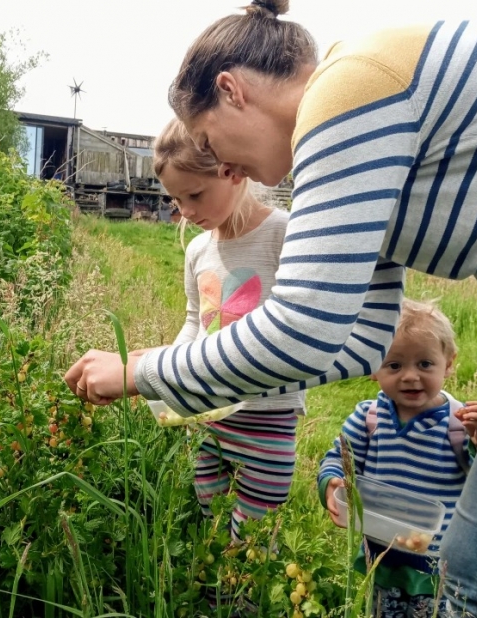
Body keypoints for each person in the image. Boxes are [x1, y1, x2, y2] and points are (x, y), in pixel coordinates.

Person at [64, 1, 477, 616]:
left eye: (209, 141)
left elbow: (299, 328)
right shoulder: (357, 140)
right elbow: (360, 340)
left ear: (232, 90)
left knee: (475, 582)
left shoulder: (346, 93)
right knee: (473, 576)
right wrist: (167, 364)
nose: (224, 166)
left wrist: (140, 374)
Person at [148, 116, 307, 612]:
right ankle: (213, 596)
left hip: (268, 417)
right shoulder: (198, 249)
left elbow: (300, 323)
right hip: (208, 416)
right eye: (176, 200)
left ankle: (246, 603)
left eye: (194, 195)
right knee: (211, 514)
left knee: (253, 532)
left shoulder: (283, 234)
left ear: (233, 172)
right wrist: (165, 373)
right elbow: (194, 322)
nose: (185, 211)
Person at [319, 299, 477, 617]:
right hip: (380, 559)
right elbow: (338, 458)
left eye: (425, 364)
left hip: (436, 569)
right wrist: (332, 483)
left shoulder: (458, 423)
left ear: (449, 364)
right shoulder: (369, 418)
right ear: (373, 369)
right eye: (394, 365)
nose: (410, 376)